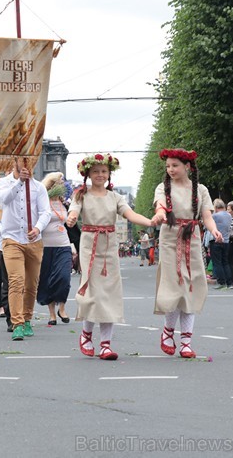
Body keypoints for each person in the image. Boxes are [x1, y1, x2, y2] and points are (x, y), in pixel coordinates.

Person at [66, 153, 153, 360]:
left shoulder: (115, 197)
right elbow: (74, 210)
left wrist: (151, 222)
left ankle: (106, 344)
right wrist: (71, 217)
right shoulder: (81, 195)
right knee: (93, 292)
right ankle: (86, 334)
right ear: (88, 173)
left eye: (104, 171)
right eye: (95, 171)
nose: (100, 174)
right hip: (89, 244)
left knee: (110, 293)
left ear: (109, 174)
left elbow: (130, 215)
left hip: (109, 246)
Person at [151, 148, 224, 359]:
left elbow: (206, 216)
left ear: (187, 167)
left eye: (175, 165)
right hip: (170, 236)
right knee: (174, 285)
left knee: (191, 286)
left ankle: (186, 341)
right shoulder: (162, 187)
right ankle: (168, 330)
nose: (170, 169)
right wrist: (159, 215)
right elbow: (161, 207)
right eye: (168, 166)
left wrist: (213, 230)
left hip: (191, 236)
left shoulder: (200, 189)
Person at [0, 159, 52, 341]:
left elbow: (46, 212)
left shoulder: (38, 187)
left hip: (34, 241)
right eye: (23, 160)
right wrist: (20, 182)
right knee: (16, 281)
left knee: (31, 284)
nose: (28, 164)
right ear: (15, 162)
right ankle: (17, 323)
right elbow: (4, 199)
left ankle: (27, 318)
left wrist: (37, 228)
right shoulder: (3, 183)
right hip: (11, 239)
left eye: (31, 161)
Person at [37, 172, 74, 326]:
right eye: (58, 183)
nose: (61, 186)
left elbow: (69, 222)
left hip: (63, 244)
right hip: (45, 246)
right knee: (47, 280)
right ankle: (52, 314)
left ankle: (62, 308)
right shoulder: (41, 201)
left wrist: (71, 221)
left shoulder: (64, 202)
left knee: (64, 277)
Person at [209, 200, 233, 289]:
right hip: (226, 240)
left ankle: (221, 282)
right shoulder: (229, 215)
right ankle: (229, 282)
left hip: (216, 240)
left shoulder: (215, 216)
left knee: (217, 263)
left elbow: (207, 224)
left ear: (215, 207)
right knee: (225, 262)